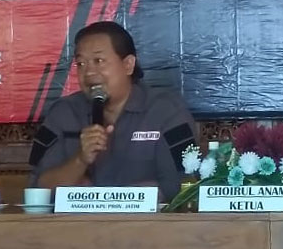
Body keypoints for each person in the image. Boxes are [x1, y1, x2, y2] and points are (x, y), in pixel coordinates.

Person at [28, 21, 196, 200]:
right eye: (81, 64)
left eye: (98, 61)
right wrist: (80, 160)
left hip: (148, 218)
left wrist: (115, 199)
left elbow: (185, 184)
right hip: (77, 218)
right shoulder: (63, 113)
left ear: (128, 65)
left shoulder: (166, 110)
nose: (89, 72)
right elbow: (37, 189)